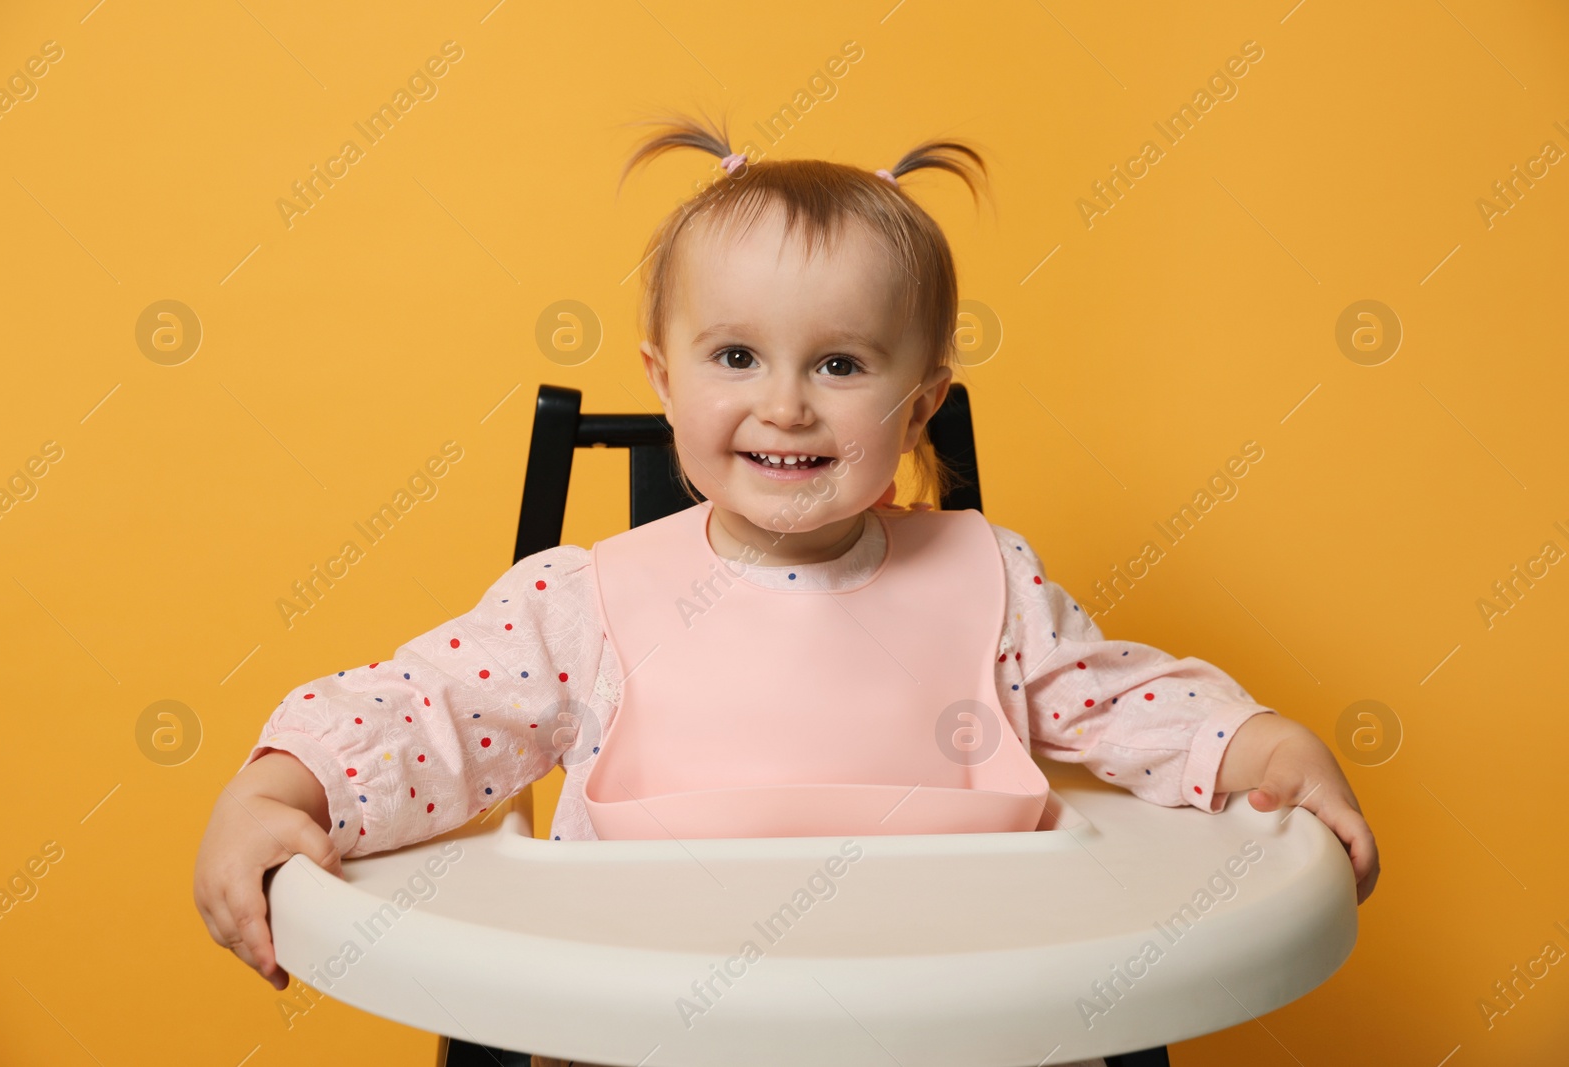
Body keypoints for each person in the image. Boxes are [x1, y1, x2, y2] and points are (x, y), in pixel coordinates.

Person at [193, 112, 1379, 1067]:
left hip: (955, 1028)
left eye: (842, 363)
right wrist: (283, 786)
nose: (786, 404)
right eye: (736, 356)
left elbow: (1124, 701)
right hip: (655, 1036)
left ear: (918, 404)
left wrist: (1254, 749)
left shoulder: (990, 582)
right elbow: (429, 709)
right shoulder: (583, 604)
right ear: (663, 381)